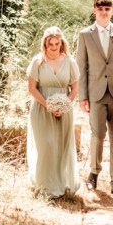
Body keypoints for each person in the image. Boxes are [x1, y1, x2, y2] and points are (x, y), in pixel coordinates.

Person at [76, 0, 113, 197]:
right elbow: (81, 66)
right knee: (98, 135)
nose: (103, 12)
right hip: (96, 92)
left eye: (107, 9)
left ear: (112, 11)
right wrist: (83, 96)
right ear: (95, 10)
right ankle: (93, 172)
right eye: (100, 9)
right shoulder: (85, 34)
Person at [26, 26, 80, 199]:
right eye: (51, 44)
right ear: (45, 44)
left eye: (57, 44)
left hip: (64, 110)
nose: (54, 47)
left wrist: (64, 105)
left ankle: (61, 183)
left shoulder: (70, 62)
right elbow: (32, 89)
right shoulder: (37, 62)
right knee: (47, 145)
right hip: (41, 109)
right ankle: (45, 187)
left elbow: (74, 89)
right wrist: (48, 105)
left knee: (61, 147)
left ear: (61, 43)